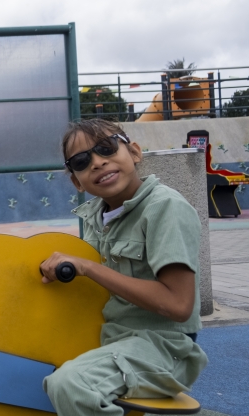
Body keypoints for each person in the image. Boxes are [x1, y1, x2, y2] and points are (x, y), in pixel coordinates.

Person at [40, 119, 208, 415]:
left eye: (106, 148)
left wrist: (89, 268)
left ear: (134, 152)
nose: (98, 162)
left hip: (162, 349)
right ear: (77, 181)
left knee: (72, 384)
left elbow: (179, 304)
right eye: (81, 161)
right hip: (111, 337)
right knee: (28, 360)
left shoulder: (165, 207)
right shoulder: (97, 217)